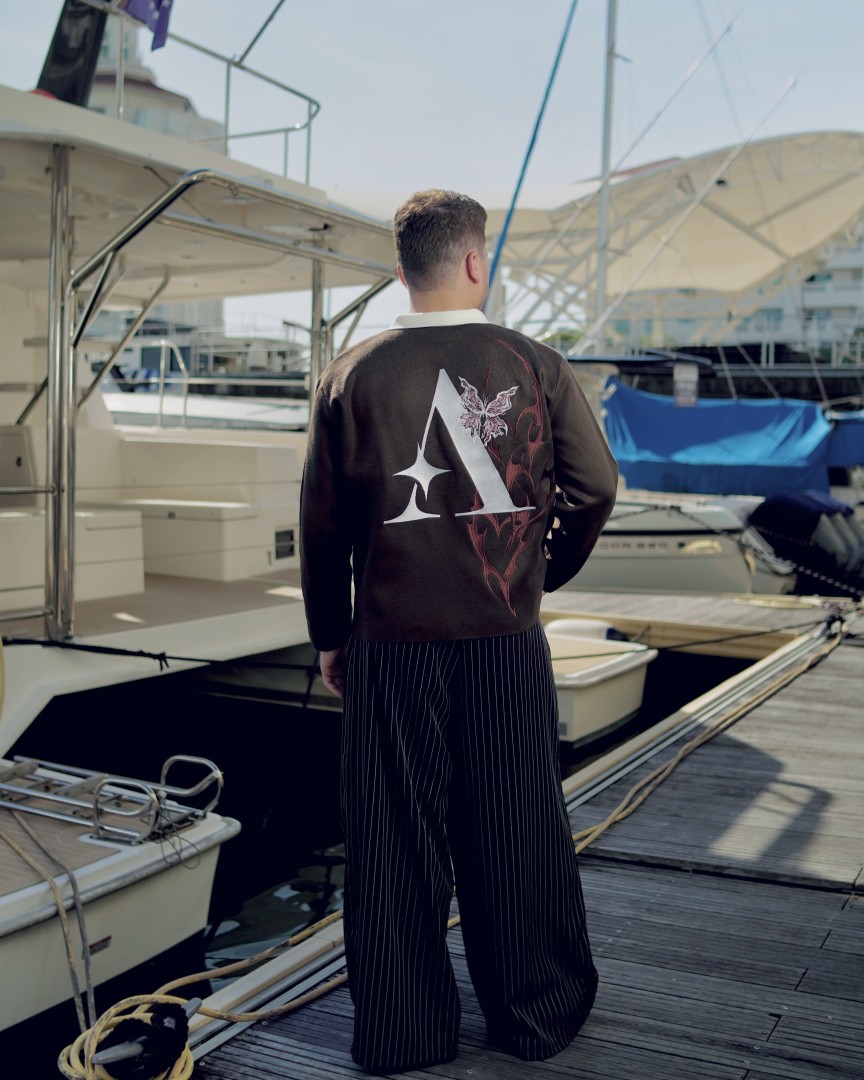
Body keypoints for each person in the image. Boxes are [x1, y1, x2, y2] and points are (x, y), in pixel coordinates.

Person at [300, 189, 618, 1074]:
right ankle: (535, 1016)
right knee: (515, 828)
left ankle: (404, 1033)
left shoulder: (350, 374)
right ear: (475, 260)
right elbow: (597, 488)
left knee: (393, 842)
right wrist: (541, 574)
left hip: (390, 643)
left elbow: (322, 527)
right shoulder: (534, 362)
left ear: (402, 270)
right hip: (502, 634)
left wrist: (332, 633)